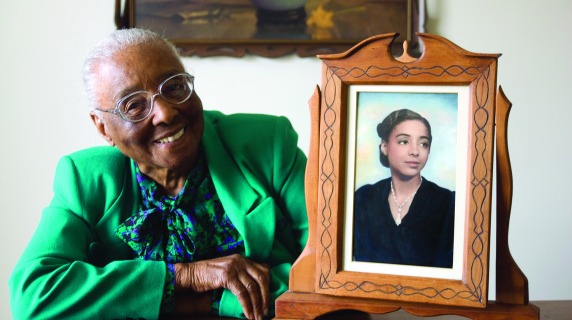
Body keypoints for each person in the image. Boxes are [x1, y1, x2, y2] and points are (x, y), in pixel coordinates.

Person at [9, 28, 308, 319]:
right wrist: (187, 279)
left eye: (174, 86)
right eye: (135, 105)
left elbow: (333, 268)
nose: (165, 113)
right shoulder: (86, 179)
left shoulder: (267, 144)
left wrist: (219, 300)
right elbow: (34, 296)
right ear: (102, 127)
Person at [352, 109, 454, 268]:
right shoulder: (363, 198)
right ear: (384, 146)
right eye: (404, 141)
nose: (415, 151)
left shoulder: (448, 203)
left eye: (423, 144)